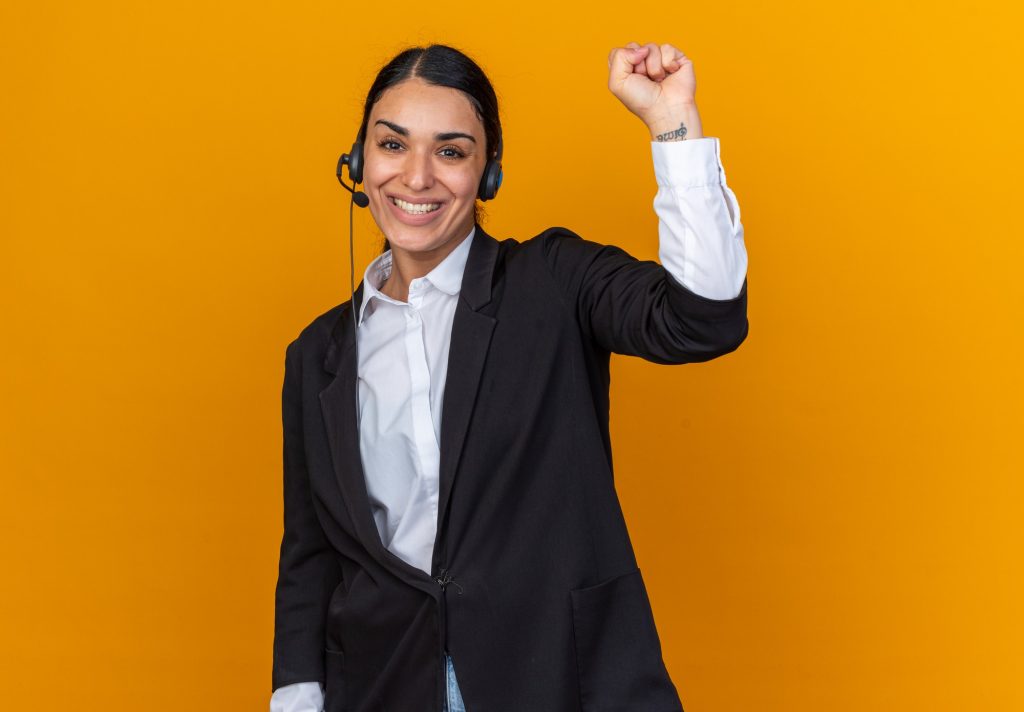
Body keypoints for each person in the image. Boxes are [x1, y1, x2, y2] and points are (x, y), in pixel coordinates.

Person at [271, 41, 748, 712]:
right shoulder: (315, 353)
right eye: (392, 145)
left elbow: (704, 320)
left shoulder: (552, 282)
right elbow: (311, 553)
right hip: (381, 686)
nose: (416, 177)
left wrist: (673, 125)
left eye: (451, 151)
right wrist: (297, 698)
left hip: (559, 680)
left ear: (487, 173)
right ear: (357, 163)